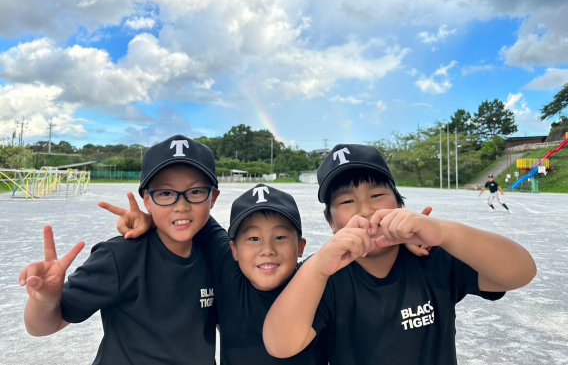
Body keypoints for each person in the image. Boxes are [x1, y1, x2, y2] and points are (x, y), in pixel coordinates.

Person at [263, 144, 536, 365]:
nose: (365, 210)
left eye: (378, 194)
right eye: (347, 201)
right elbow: (280, 345)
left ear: (400, 203)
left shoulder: (433, 256)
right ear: (330, 221)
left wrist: (444, 233)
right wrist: (318, 268)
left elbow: (520, 273)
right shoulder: (322, 276)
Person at [19, 135, 220, 365]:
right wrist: (44, 301)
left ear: (212, 198)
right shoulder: (119, 256)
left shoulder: (215, 255)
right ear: (146, 200)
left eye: (195, 192)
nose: (181, 206)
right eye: (165, 193)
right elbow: (44, 326)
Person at [110, 184, 328, 365]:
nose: (267, 249)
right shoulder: (228, 269)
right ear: (234, 250)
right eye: (253, 238)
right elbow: (190, 220)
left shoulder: (318, 283)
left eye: (280, 237)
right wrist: (152, 221)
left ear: (300, 247)